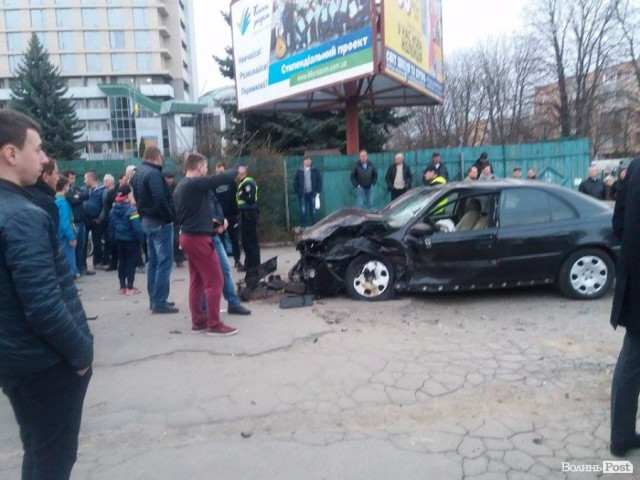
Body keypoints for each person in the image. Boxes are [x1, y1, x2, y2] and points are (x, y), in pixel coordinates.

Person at [0, 108, 93, 480]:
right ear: (10, 154)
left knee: (37, 451)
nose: (43, 159)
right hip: (46, 366)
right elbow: (43, 306)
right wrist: (82, 354)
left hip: (16, 362)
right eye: (37, 149)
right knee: (53, 461)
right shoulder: (22, 216)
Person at [172, 153, 238, 336]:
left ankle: (198, 321)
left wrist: (214, 224)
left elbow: (194, 215)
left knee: (197, 281)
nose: (207, 171)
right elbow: (221, 178)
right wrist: (237, 170)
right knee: (216, 281)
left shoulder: (180, 187)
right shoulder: (193, 184)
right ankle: (214, 324)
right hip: (199, 239)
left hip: (189, 236)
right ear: (200, 167)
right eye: (206, 167)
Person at [609, 157, 640, 457]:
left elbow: (618, 221)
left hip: (635, 278)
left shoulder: (635, 166)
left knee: (632, 357)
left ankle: (621, 436)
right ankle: (621, 437)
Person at [132, 146, 178, 314]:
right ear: (157, 157)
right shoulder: (154, 174)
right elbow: (159, 198)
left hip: (147, 221)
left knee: (153, 262)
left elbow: (137, 197)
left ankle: (155, 299)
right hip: (159, 222)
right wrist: (169, 217)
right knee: (164, 263)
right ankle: (159, 301)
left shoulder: (139, 173)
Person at [209, 191, 251, 316]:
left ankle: (233, 303)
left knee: (225, 268)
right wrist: (216, 224)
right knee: (208, 275)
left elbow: (216, 205)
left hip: (212, 234)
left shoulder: (208, 190)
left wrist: (221, 221)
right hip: (203, 235)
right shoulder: (195, 189)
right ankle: (205, 312)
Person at [110, 184, 145, 295]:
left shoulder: (113, 209)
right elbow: (137, 228)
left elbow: (111, 226)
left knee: (122, 261)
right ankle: (130, 287)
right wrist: (142, 240)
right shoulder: (132, 210)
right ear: (128, 195)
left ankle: (122, 287)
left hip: (118, 239)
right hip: (131, 240)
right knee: (131, 262)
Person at [63, 169, 94, 276]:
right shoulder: (65, 191)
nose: (74, 180)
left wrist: (78, 196)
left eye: (74, 177)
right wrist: (78, 197)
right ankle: (74, 269)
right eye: (71, 178)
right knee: (74, 247)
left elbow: (86, 195)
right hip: (74, 222)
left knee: (82, 246)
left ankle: (82, 267)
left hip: (82, 221)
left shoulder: (76, 188)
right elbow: (72, 200)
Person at [214, 162, 243, 271]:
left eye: (221, 171)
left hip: (231, 215)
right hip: (218, 217)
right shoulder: (213, 184)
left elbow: (235, 198)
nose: (220, 174)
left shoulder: (231, 182)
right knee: (219, 240)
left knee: (234, 239)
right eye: (218, 172)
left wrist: (236, 212)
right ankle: (221, 263)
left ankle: (237, 260)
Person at [236, 164, 261, 271]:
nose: (237, 174)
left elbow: (250, 199)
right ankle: (249, 264)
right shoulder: (242, 183)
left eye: (238, 171)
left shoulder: (248, 182)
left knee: (250, 240)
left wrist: (241, 194)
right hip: (245, 213)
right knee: (246, 241)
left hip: (249, 214)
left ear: (243, 172)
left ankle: (254, 265)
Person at [55, 175, 79, 278]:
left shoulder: (54, 200)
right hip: (64, 236)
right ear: (65, 186)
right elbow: (64, 222)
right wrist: (71, 237)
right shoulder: (63, 203)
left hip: (58, 234)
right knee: (69, 259)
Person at [83, 170, 107, 269]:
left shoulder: (103, 190)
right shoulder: (84, 190)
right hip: (85, 220)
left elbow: (105, 206)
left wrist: (100, 219)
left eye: (85, 178)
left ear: (90, 179)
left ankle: (97, 262)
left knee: (97, 242)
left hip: (97, 220)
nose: (84, 181)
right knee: (83, 242)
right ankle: (82, 264)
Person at [27, 156, 59, 230]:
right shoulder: (46, 202)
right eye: (56, 173)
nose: (58, 178)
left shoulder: (24, 193)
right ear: (46, 177)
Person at [293, 155, 323, 226]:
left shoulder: (315, 170)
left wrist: (318, 190)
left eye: (309, 160)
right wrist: (297, 191)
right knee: (303, 211)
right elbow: (295, 181)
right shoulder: (299, 170)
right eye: (306, 160)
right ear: (303, 161)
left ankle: (315, 227)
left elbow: (319, 180)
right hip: (302, 195)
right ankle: (303, 227)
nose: (308, 161)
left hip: (312, 194)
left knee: (313, 211)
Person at [164, 171, 185, 268]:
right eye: (168, 178)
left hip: (177, 217)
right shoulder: (161, 188)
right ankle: (169, 259)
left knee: (178, 240)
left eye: (171, 178)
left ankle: (179, 259)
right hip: (166, 217)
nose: (170, 180)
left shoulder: (177, 188)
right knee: (168, 240)